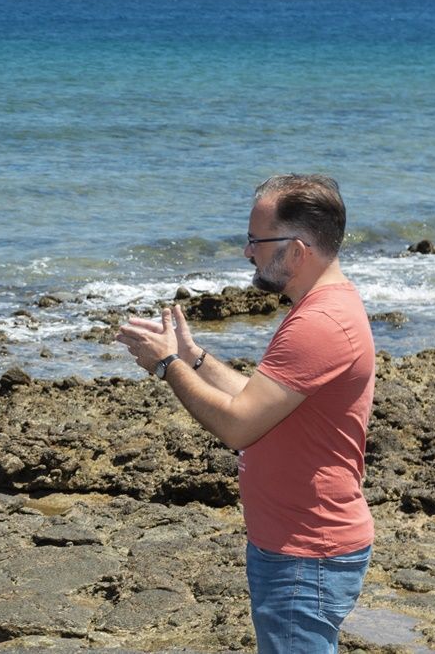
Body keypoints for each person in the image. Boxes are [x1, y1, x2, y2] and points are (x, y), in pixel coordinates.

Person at [116, 174, 375, 653]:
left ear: (297, 251)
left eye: (257, 240)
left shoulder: (319, 323)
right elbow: (256, 402)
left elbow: (237, 424)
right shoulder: (323, 308)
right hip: (299, 545)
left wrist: (166, 365)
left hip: (305, 553)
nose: (247, 251)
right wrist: (194, 358)